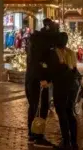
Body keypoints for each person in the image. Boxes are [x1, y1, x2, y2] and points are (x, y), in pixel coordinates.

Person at [40, 32, 79, 149]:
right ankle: (74, 142)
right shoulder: (71, 53)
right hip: (72, 86)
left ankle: (66, 141)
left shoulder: (54, 53)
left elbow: (53, 70)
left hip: (61, 87)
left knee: (62, 113)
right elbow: (74, 69)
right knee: (69, 112)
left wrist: (46, 79)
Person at [25, 18, 58, 146]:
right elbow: (38, 62)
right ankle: (38, 136)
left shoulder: (35, 40)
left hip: (31, 78)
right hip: (38, 81)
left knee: (33, 106)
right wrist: (43, 78)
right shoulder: (43, 42)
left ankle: (32, 134)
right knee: (41, 106)